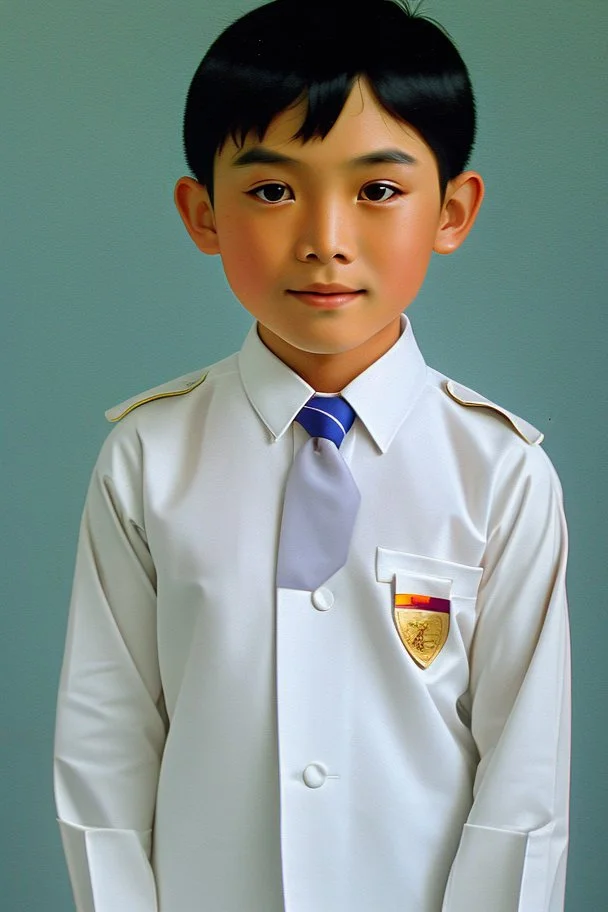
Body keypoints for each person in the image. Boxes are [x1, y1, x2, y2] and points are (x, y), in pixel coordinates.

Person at [54, 1, 570, 910]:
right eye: (271, 189)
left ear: (451, 211)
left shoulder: (501, 473)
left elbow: (524, 784)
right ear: (201, 212)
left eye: (377, 190)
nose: (325, 238)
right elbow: (106, 753)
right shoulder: (147, 457)